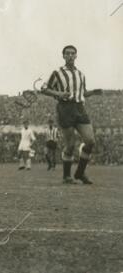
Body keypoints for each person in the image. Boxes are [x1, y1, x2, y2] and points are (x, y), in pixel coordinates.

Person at [41, 45, 103, 184]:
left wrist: (93, 92)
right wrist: (59, 93)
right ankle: (66, 176)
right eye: (67, 53)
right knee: (70, 145)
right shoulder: (57, 72)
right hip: (65, 108)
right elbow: (44, 89)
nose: (70, 55)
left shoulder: (81, 74)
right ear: (63, 56)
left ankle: (80, 173)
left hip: (80, 108)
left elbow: (82, 93)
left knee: (90, 141)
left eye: (72, 53)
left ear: (76, 56)